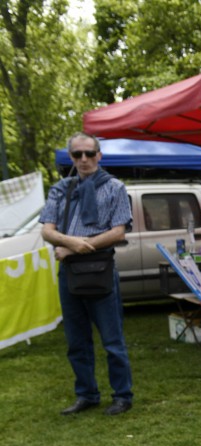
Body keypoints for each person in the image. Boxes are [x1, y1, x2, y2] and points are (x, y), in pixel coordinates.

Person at [39, 132, 134, 416]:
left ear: (99, 156)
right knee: (76, 340)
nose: (84, 159)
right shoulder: (60, 189)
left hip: (101, 269)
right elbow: (47, 230)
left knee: (112, 340)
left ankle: (122, 395)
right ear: (71, 157)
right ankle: (87, 394)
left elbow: (118, 231)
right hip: (69, 273)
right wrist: (72, 243)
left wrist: (73, 248)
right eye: (77, 154)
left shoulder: (115, 188)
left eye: (89, 154)